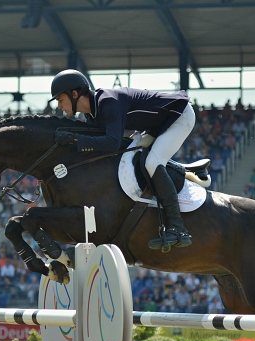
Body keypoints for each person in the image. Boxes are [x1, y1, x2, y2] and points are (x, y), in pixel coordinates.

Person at [48, 69, 193, 250]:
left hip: (179, 116)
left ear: (74, 94)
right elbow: (97, 144)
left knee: (152, 163)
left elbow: (111, 143)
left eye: (60, 100)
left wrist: (75, 140)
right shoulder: (92, 115)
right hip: (155, 126)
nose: (59, 106)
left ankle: (177, 227)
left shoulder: (108, 102)